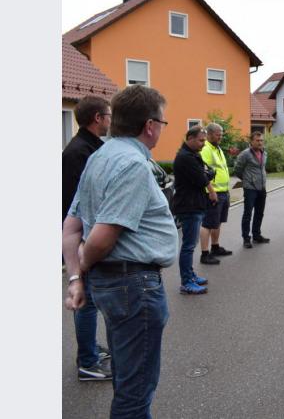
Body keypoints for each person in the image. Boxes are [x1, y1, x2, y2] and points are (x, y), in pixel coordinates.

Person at [63, 85, 179, 418]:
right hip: (134, 287)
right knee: (135, 393)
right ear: (150, 125)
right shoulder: (132, 164)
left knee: (127, 379)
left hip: (117, 285)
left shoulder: (98, 157)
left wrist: (76, 278)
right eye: (163, 122)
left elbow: (70, 228)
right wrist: (84, 266)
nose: (161, 129)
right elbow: (101, 237)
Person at [62, 95, 113, 381]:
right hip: (83, 238)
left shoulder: (90, 147)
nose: (110, 120)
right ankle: (87, 362)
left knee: (90, 299)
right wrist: (83, 246)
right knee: (87, 300)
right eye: (108, 115)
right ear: (98, 118)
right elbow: (77, 204)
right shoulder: (78, 152)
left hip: (87, 236)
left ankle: (90, 348)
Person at [172, 125, 217, 294]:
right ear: (190, 138)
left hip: (195, 204)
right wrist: (208, 180)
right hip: (188, 206)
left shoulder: (193, 155)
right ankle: (186, 282)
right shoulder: (185, 157)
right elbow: (202, 178)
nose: (204, 144)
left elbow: (208, 173)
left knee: (191, 244)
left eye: (204, 140)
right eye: (201, 140)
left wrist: (207, 174)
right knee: (188, 245)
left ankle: (190, 275)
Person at [199, 122, 233, 264]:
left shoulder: (217, 148)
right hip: (213, 193)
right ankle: (204, 254)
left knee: (217, 222)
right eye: (218, 135)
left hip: (223, 191)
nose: (221, 137)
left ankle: (215, 247)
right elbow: (203, 172)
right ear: (210, 134)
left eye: (221, 134)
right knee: (207, 223)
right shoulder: (206, 149)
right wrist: (211, 191)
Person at [233, 131, 270, 248]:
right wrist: (247, 180)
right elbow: (237, 169)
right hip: (250, 188)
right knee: (248, 214)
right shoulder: (245, 154)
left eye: (261, 140)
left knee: (259, 213)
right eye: (257, 140)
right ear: (251, 141)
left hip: (262, 188)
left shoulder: (264, 153)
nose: (260, 143)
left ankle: (256, 235)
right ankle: (246, 238)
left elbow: (262, 169)